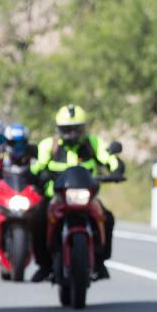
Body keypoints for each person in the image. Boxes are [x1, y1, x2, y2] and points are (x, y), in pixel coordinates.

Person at [30, 104, 123, 282]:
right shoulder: (49, 146)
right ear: (59, 129)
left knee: (107, 218)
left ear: (83, 128)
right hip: (56, 198)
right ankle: (44, 264)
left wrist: (117, 168)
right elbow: (36, 167)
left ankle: (100, 260)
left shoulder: (93, 143)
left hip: (87, 198)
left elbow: (108, 158)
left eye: (76, 129)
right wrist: (35, 175)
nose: (72, 134)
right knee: (36, 219)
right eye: (67, 129)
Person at [0, 123, 36, 258]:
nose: (18, 147)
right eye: (14, 143)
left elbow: (40, 169)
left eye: (21, 143)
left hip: (24, 193)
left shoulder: (33, 152)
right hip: (4, 193)